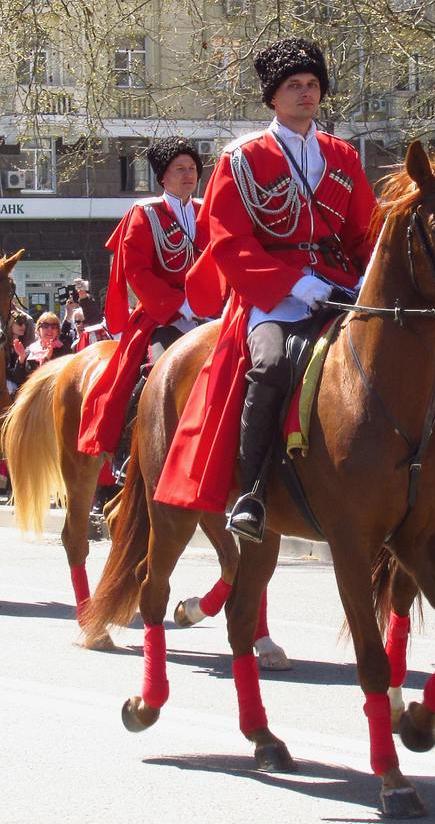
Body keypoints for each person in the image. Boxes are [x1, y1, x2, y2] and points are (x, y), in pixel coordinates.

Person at [156, 37, 377, 541]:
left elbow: (364, 230)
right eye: (294, 86)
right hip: (271, 297)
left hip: (341, 288)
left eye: (313, 85)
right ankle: (252, 491)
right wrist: (294, 284)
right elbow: (228, 243)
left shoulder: (341, 155)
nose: (306, 94)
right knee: (272, 364)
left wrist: (367, 276)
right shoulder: (242, 157)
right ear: (272, 98)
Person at [77, 136, 206, 472]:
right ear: (163, 176)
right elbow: (136, 270)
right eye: (179, 168)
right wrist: (180, 305)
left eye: (192, 168)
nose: (188, 174)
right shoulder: (145, 213)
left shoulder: (206, 211)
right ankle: (130, 447)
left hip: (210, 312)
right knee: (155, 373)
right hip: (161, 315)